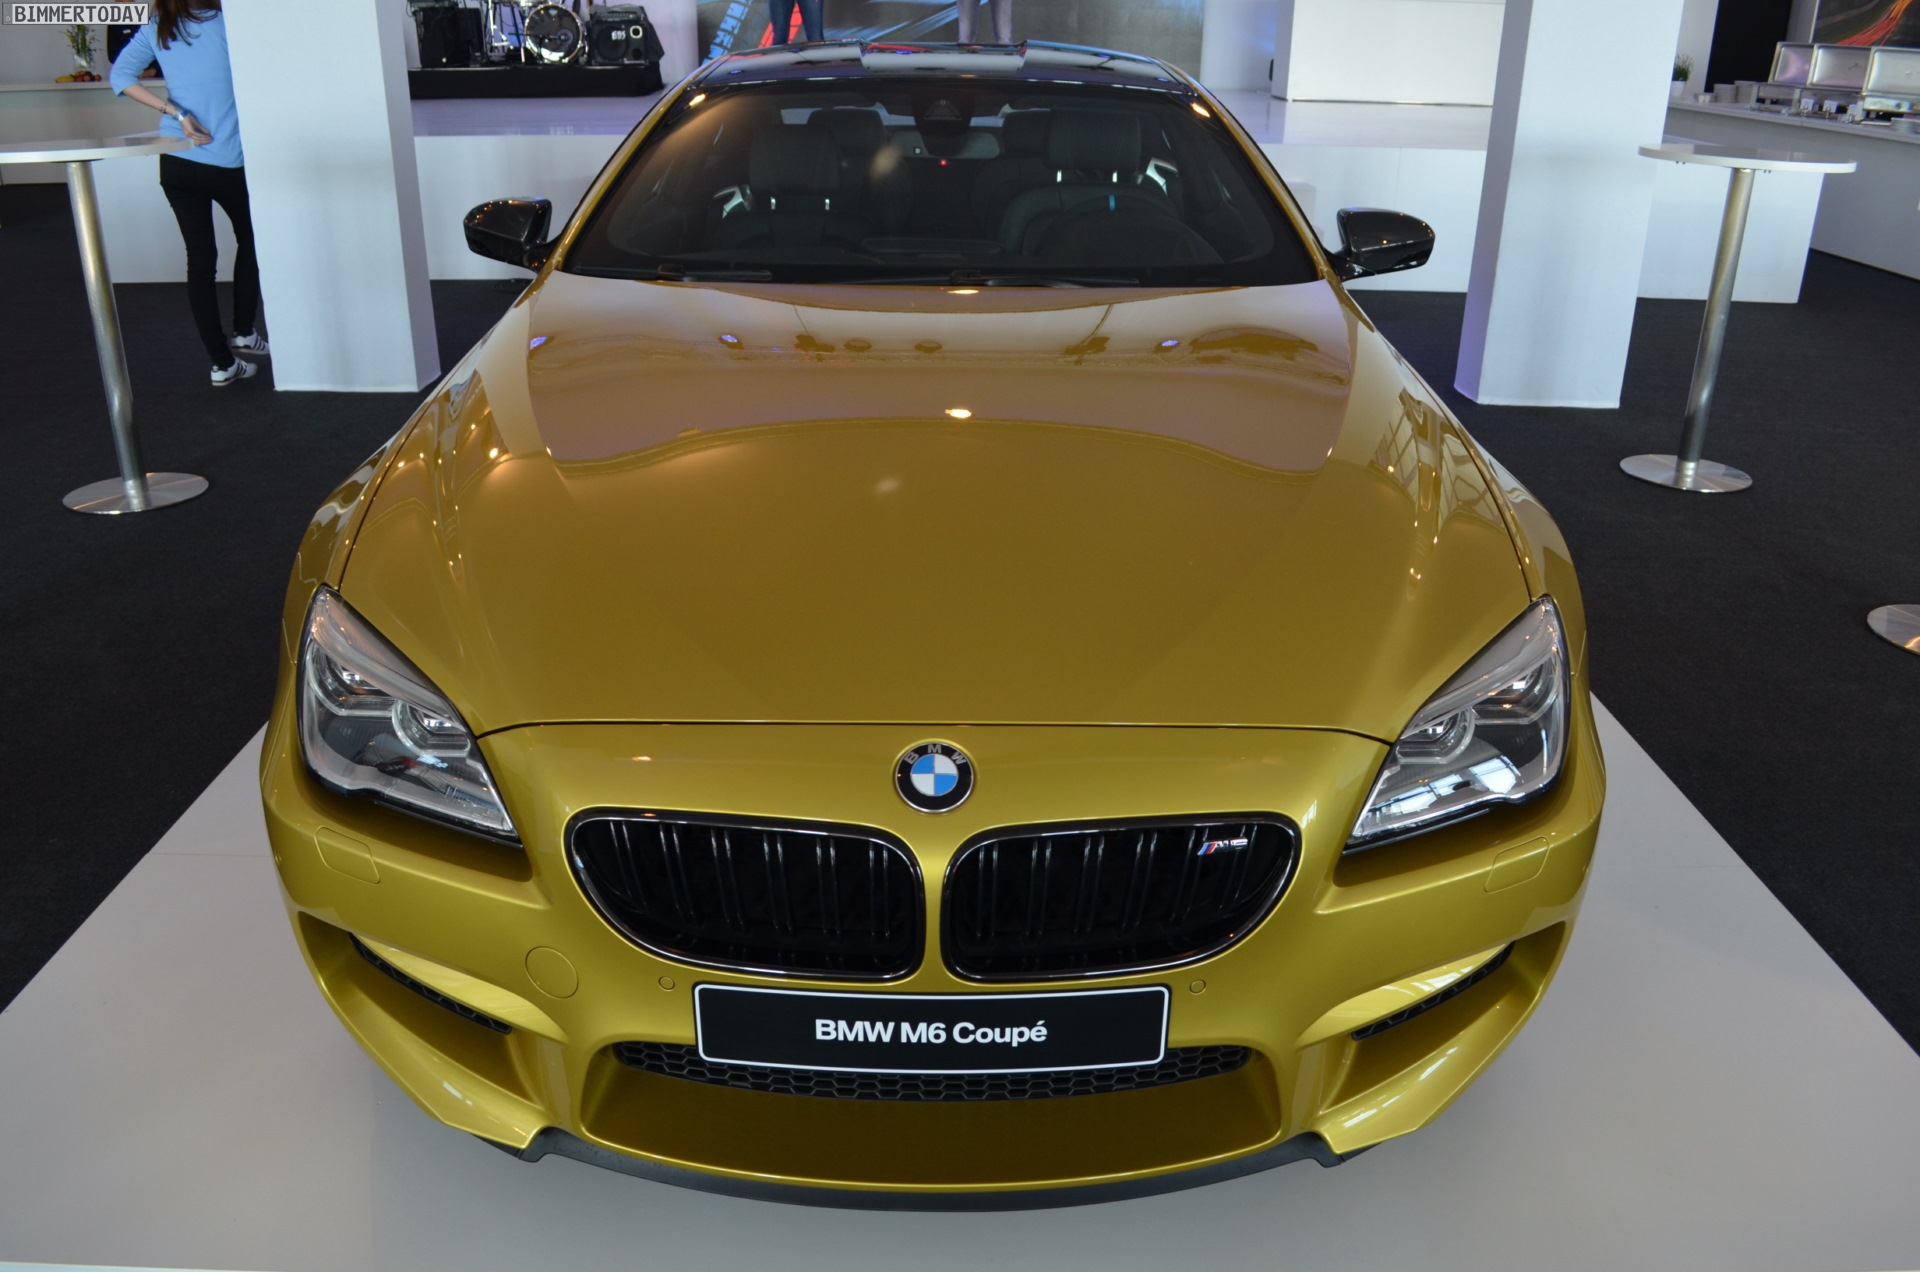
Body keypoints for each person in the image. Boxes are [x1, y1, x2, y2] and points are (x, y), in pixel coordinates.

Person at [110, 1, 267, 387]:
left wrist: (177, 112)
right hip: (228, 160)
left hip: (178, 159)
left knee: (200, 261)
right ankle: (244, 331)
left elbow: (121, 76)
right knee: (252, 239)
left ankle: (221, 363)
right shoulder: (230, 24)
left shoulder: (158, 27)